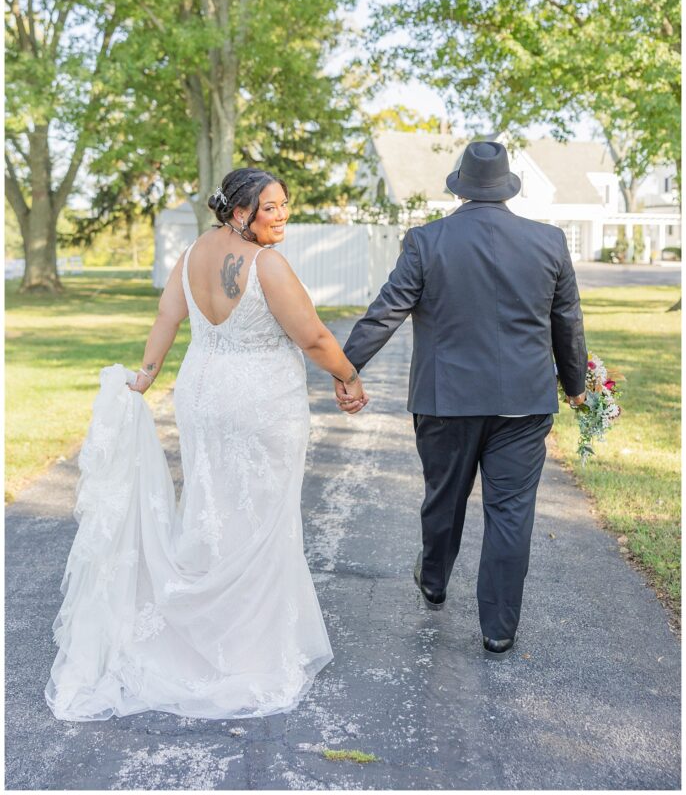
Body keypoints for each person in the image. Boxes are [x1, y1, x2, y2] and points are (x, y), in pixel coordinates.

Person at [46, 167, 367, 720]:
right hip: (261, 402)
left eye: (285, 205)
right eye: (271, 208)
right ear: (240, 212)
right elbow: (312, 335)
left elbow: (168, 316)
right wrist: (348, 376)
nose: (283, 214)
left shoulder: (194, 252)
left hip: (200, 395)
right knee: (261, 516)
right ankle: (246, 648)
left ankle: (207, 629)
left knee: (212, 509)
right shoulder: (268, 265)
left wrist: (146, 377)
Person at [338, 140, 588, 659]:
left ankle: (433, 579)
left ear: (460, 187)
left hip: (445, 400)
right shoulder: (549, 241)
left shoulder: (427, 241)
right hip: (523, 402)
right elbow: (566, 321)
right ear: (506, 188)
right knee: (512, 512)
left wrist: (347, 367)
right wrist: (576, 384)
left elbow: (388, 309)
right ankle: (498, 629)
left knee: (444, 496)